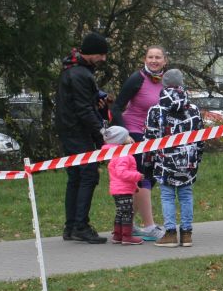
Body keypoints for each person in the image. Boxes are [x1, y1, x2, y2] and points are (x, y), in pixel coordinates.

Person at [55, 32, 111, 244]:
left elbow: (84, 102)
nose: (103, 58)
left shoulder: (73, 70)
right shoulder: (80, 74)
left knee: (76, 177)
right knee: (88, 175)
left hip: (69, 130)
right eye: (101, 54)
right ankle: (80, 226)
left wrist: (97, 100)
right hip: (77, 131)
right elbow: (83, 109)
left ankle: (71, 226)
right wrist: (102, 134)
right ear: (90, 53)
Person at [110, 45, 168, 241]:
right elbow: (116, 107)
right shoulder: (137, 78)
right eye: (150, 57)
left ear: (164, 61)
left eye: (158, 57)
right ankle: (149, 226)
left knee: (150, 179)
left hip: (155, 136)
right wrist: (125, 134)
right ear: (145, 59)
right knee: (143, 177)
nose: (154, 61)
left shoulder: (166, 81)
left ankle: (126, 225)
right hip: (134, 133)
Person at [143, 69, 204, 248]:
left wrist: (148, 161)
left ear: (164, 84)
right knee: (186, 195)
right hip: (189, 160)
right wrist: (197, 157)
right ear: (181, 84)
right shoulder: (194, 109)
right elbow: (200, 138)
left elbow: (150, 138)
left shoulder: (156, 110)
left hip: (165, 161)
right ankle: (187, 234)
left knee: (167, 196)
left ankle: (170, 234)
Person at [102, 126, 144, 245]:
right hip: (123, 190)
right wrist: (137, 176)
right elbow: (122, 173)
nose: (130, 138)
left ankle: (117, 235)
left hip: (119, 189)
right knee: (127, 213)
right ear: (120, 140)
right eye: (127, 136)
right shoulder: (123, 155)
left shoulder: (116, 154)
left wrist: (134, 186)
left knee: (121, 212)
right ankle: (127, 236)